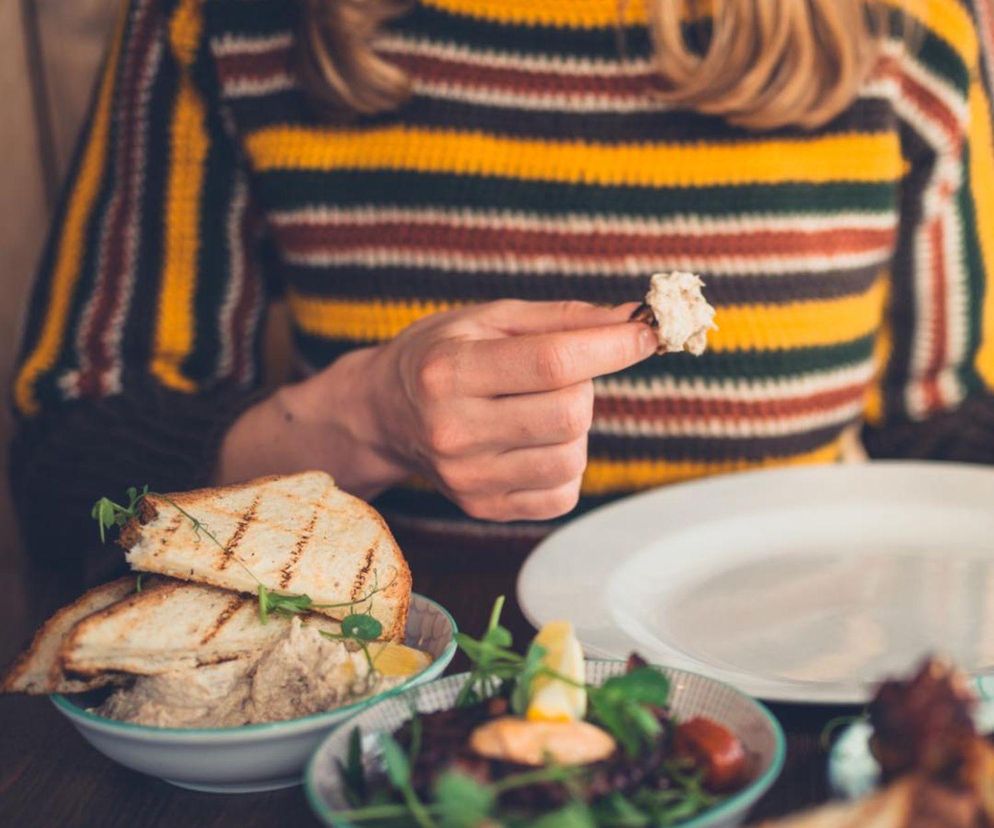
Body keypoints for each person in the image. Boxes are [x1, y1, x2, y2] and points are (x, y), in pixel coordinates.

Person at [11, 0, 994, 569]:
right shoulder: (225, 23)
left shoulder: (907, 37)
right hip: (385, 711)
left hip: (805, 711)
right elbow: (70, 482)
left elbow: (937, 430)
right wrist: (364, 421)